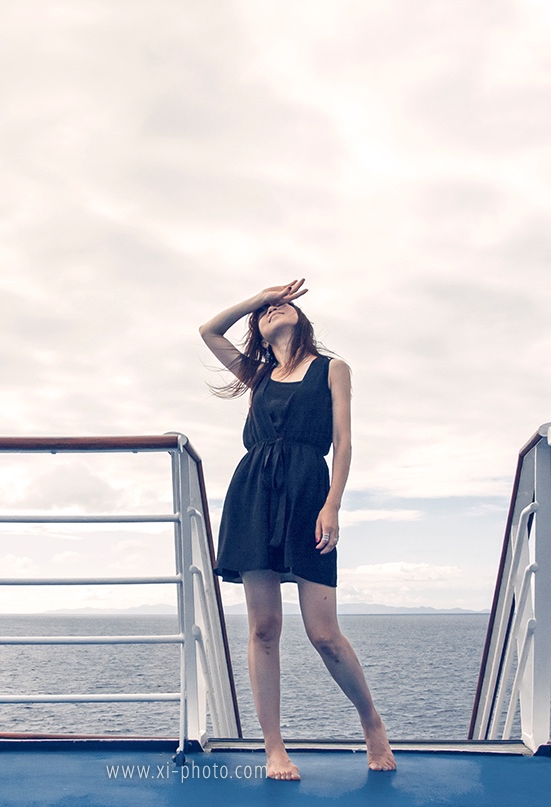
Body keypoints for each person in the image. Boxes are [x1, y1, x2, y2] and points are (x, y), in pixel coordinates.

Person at [199, 279, 396, 780]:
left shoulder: (333, 368)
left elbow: (344, 442)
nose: (274, 309)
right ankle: (274, 748)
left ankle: (371, 721)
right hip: (254, 494)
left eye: (282, 305)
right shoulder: (257, 374)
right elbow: (208, 331)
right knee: (263, 628)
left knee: (323, 632)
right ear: (258, 329)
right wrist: (258, 297)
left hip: (309, 490)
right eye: (266, 311)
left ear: (301, 318)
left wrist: (332, 505)